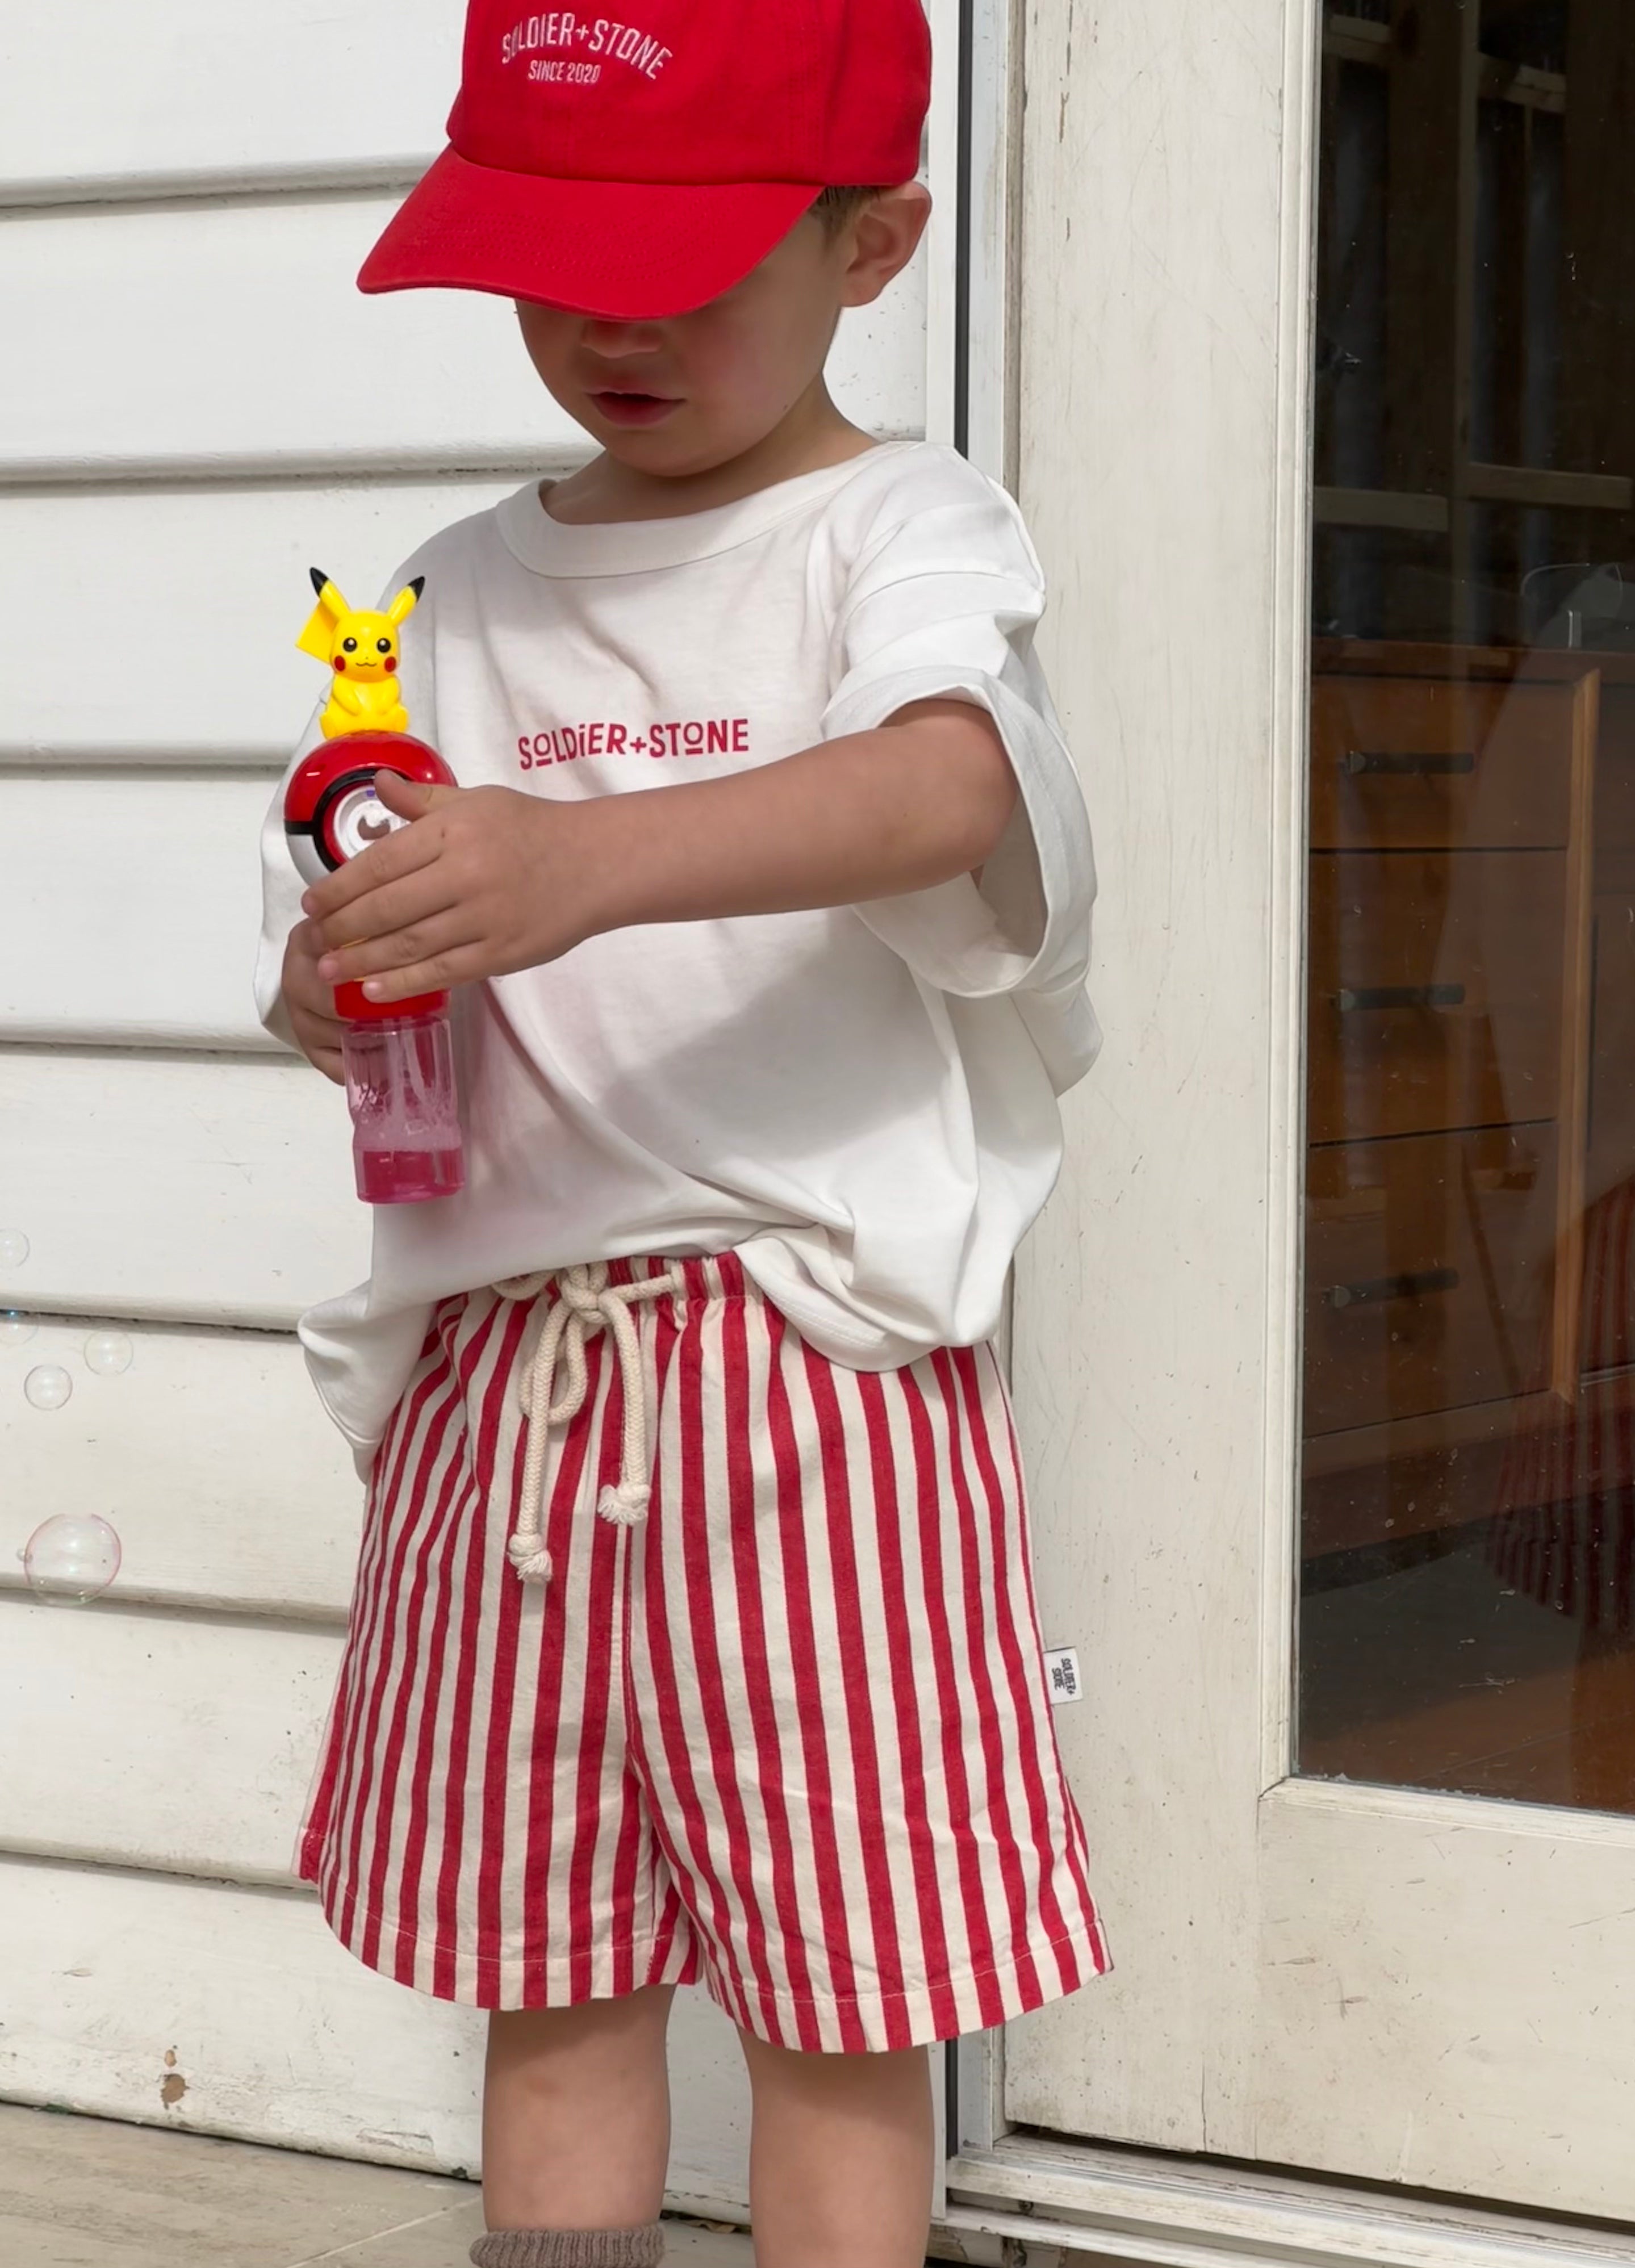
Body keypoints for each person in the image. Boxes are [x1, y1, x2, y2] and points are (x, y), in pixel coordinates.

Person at [253, 3, 1110, 2263]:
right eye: (556, 263)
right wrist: (342, 981)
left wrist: (578, 862)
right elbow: (334, 951)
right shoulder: (443, 591)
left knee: (847, 1993)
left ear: (874, 242)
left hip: (811, 1380)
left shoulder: (898, 527)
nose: (618, 324)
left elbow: (954, 784)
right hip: (507, 1386)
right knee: (548, 1975)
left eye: (696, 263)